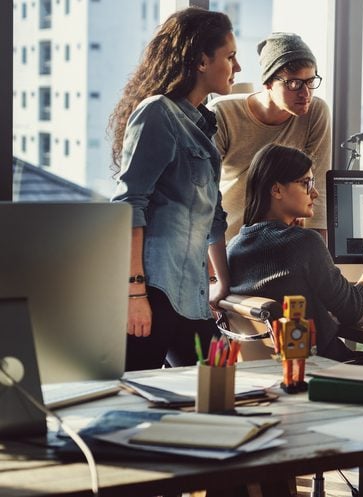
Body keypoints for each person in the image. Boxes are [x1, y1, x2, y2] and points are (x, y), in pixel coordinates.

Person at [109, 8, 240, 372]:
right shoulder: (158, 114)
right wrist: (134, 293)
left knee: (221, 385)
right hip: (154, 293)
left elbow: (214, 219)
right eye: (230, 57)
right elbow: (129, 204)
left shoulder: (203, 125)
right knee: (132, 403)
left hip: (193, 298)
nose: (237, 68)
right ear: (201, 60)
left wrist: (222, 285)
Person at [226, 143, 363, 360]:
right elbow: (352, 311)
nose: (315, 193)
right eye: (306, 183)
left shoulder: (234, 246)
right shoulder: (303, 243)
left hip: (275, 374)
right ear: (276, 190)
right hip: (327, 371)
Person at [210, 32, 331, 241]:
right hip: (228, 242)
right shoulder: (223, 114)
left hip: (281, 245)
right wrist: (215, 264)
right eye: (294, 84)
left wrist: (318, 259)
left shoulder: (316, 112)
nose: (306, 93)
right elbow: (206, 196)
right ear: (267, 83)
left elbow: (317, 189)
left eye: (310, 81)